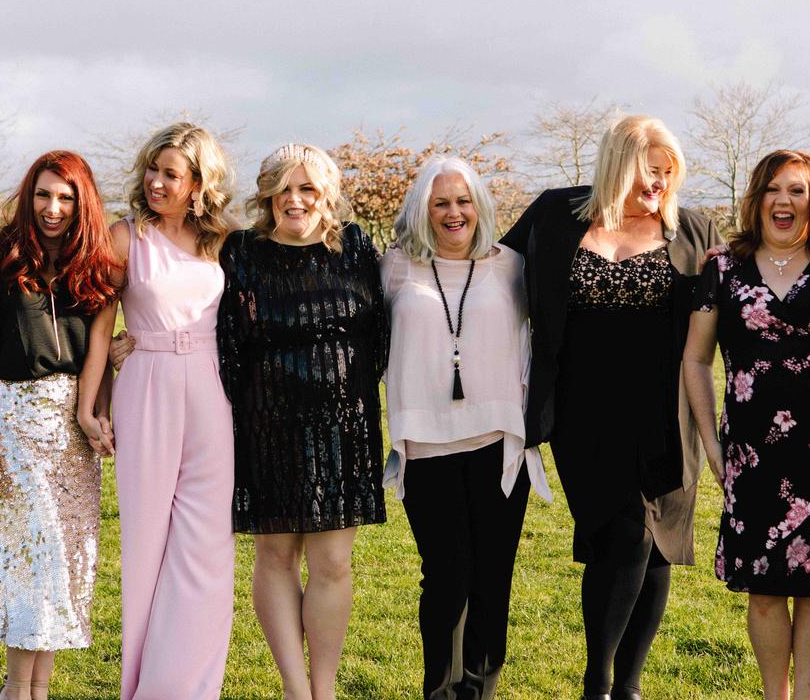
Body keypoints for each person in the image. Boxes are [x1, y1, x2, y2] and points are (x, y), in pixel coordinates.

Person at [501, 115, 721, 700]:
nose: (658, 185)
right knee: (619, 537)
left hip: (666, 413)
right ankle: (599, 680)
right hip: (582, 410)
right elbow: (492, 272)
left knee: (656, 545)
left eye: (667, 173)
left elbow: (738, 302)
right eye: (648, 171)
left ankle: (622, 686)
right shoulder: (555, 213)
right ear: (615, 165)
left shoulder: (694, 229)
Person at [216, 143, 387, 700]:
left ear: (327, 194)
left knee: (334, 561)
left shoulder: (357, 249)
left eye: (307, 188)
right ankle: (294, 688)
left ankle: (325, 687)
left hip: (345, 427)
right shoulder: (241, 252)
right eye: (283, 188)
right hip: (268, 424)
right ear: (267, 195)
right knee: (276, 555)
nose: (295, 199)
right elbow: (219, 336)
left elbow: (382, 333)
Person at [682, 150, 810, 700]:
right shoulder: (723, 269)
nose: (785, 201)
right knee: (763, 588)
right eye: (774, 189)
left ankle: (806, 696)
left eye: (798, 191)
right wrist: (711, 443)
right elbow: (694, 360)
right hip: (752, 455)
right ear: (757, 197)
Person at [0, 150, 119, 700]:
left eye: (66, 198)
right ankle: (18, 691)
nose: (52, 208)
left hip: (73, 435)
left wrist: (97, 405)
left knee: (61, 566)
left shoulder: (93, 267)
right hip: (14, 427)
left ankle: (36, 690)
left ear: (82, 203)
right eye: (43, 195)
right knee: (33, 562)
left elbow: (97, 345)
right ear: (29, 196)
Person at [381, 155, 551, 699]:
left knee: (492, 577)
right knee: (448, 575)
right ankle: (439, 687)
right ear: (422, 210)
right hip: (427, 447)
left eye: (462, 202)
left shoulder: (511, 266)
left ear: (479, 207)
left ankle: (478, 687)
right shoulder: (395, 268)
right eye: (440, 203)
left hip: (498, 444)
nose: (454, 213)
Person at [87, 122, 238, 700]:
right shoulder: (125, 238)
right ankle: (141, 687)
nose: (155, 181)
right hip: (145, 386)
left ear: (198, 183)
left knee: (206, 547)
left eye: (170, 174)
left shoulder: (221, 242)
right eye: (152, 169)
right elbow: (101, 327)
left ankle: (188, 687)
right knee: (147, 546)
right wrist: (91, 404)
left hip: (210, 391)